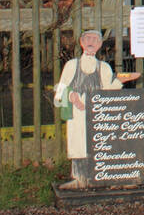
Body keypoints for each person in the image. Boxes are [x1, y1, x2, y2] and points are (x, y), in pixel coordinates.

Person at [54, 30, 139, 189]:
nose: (91, 42)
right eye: (87, 39)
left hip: (97, 113)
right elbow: (60, 90)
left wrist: (120, 80)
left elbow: (108, 92)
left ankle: (100, 177)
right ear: (81, 42)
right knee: (78, 145)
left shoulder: (104, 68)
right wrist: (71, 95)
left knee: (99, 145)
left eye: (95, 39)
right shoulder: (72, 65)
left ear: (100, 44)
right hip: (77, 114)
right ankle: (79, 179)